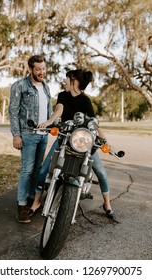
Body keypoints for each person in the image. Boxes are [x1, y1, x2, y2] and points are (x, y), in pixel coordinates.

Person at [29, 69, 115, 219]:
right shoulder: (63, 95)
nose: (64, 82)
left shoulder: (85, 101)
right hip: (65, 138)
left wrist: (106, 143)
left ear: (73, 81)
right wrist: (49, 122)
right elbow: (59, 110)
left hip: (83, 141)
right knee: (43, 171)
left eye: (66, 79)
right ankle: (36, 202)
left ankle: (107, 203)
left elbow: (96, 125)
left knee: (101, 172)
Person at [9, 54, 53, 223]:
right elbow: (13, 111)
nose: (42, 72)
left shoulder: (46, 87)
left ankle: (29, 199)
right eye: (38, 69)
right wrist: (16, 135)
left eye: (43, 68)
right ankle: (21, 207)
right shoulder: (20, 86)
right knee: (26, 170)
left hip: (43, 136)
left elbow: (49, 110)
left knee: (37, 169)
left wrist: (51, 125)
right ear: (30, 69)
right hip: (27, 134)